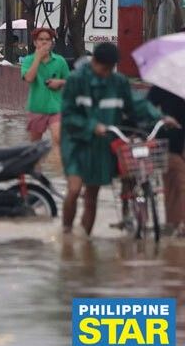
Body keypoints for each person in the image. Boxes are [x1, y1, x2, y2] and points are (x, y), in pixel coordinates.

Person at [60, 43, 175, 236]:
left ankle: (84, 242)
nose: (107, 73)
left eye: (110, 69)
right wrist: (91, 126)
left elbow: (137, 104)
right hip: (76, 143)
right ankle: (66, 232)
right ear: (94, 62)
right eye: (104, 68)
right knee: (74, 189)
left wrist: (159, 117)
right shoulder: (75, 80)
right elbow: (68, 115)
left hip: (102, 145)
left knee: (92, 195)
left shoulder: (118, 82)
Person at [21, 27, 70, 147]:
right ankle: (38, 166)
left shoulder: (60, 61)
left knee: (58, 138)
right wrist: (37, 58)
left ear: (51, 42)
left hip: (56, 108)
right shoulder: (28, 60)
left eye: (47, 40)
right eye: (41, 39)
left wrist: (60, 82)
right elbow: (29, 78)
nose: (44, 42)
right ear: (35, 42)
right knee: (35, 145)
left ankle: (56, 165)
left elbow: (70, 81)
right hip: (37, 107)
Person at [147, 86, 185, 236]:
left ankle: (175, 227)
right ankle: (176, 227)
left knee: (175, 186)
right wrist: (161, 118)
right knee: (176, 184)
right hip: (171, 144)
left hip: (174, 144)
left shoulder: (165, 83)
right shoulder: (165, 85)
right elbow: (147, 106)